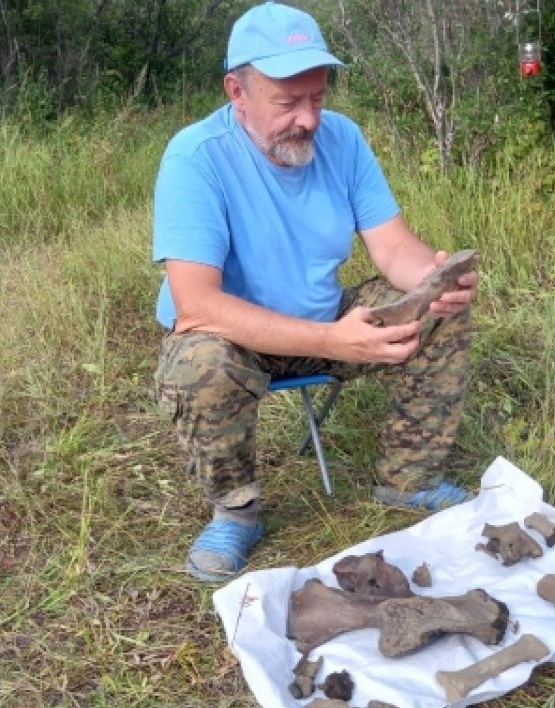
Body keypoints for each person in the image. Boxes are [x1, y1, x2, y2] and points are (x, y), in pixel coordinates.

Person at [152, 1, 479, 582]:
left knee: (441, 309)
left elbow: (393, 248)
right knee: (197, 361)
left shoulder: (344, 141)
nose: (307, 119)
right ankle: (237, 513)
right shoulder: (195, 158)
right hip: (236, 340)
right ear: (237, 92)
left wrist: (434, 280)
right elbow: (197, 304)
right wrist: (334, 341)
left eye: (317, 98)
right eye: (287, 102)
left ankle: (409, 481)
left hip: (329, 324)